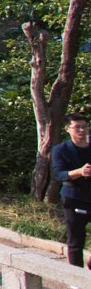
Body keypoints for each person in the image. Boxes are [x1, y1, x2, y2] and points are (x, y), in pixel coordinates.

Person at [51, 112, 91, 268]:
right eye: (77, 127)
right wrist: (79, 172)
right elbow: (59, 174)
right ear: (68, 129)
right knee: (76, 238)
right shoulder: (61, 149)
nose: (81, 130)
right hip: (74, 196)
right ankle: (76, 275)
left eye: (84, 127)